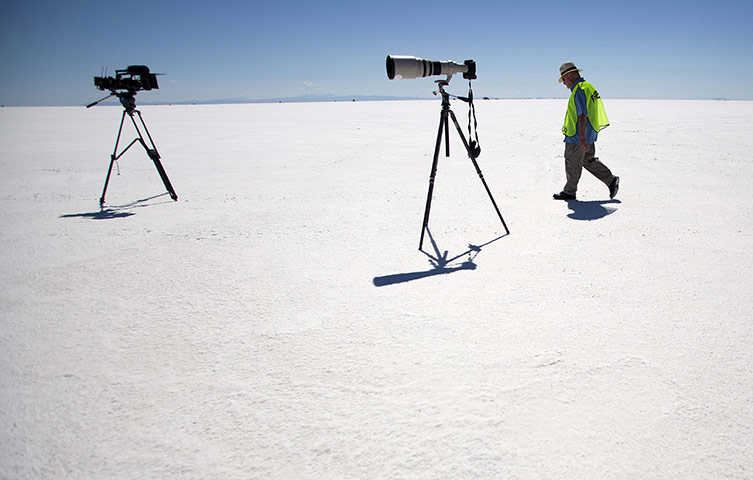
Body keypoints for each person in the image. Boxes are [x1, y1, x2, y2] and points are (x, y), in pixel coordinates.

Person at [553, 62, 619, 201]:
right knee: (588, 160)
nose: (564, 84)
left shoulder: (579, 90)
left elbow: (582, 115)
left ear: (570, 75)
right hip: (588, 134)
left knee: (572, 161)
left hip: (577, 137)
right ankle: (611, 180)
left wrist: (582, 139)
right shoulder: (587, 87)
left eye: (564, 80)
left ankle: (569, 191)